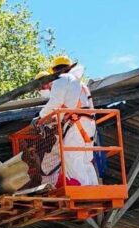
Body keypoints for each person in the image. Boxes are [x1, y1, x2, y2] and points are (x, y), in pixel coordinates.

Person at [37, 55, 99, 186]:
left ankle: (84, 190)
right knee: (86, 158)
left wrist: (41, 117)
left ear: (54, 71)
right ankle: (94, 187)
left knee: (72, 156)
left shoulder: (62, 78)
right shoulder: (79, 83)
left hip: (76, 123)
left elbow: (55, 101)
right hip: (88, 123)